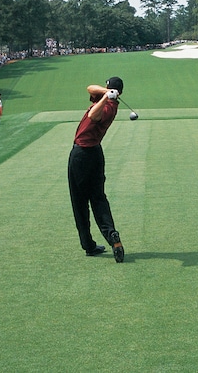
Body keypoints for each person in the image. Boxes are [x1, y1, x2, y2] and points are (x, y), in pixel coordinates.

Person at [68, 76, 126, 263]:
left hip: (82, 155)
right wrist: (107, 93)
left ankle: (89, 245)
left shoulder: (109, 107)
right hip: (95, 154)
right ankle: (112, 236)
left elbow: (93, 115)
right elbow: (89, 87)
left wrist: (106, 97)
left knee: (80, 202)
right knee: (99, 198)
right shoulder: (106, 98)